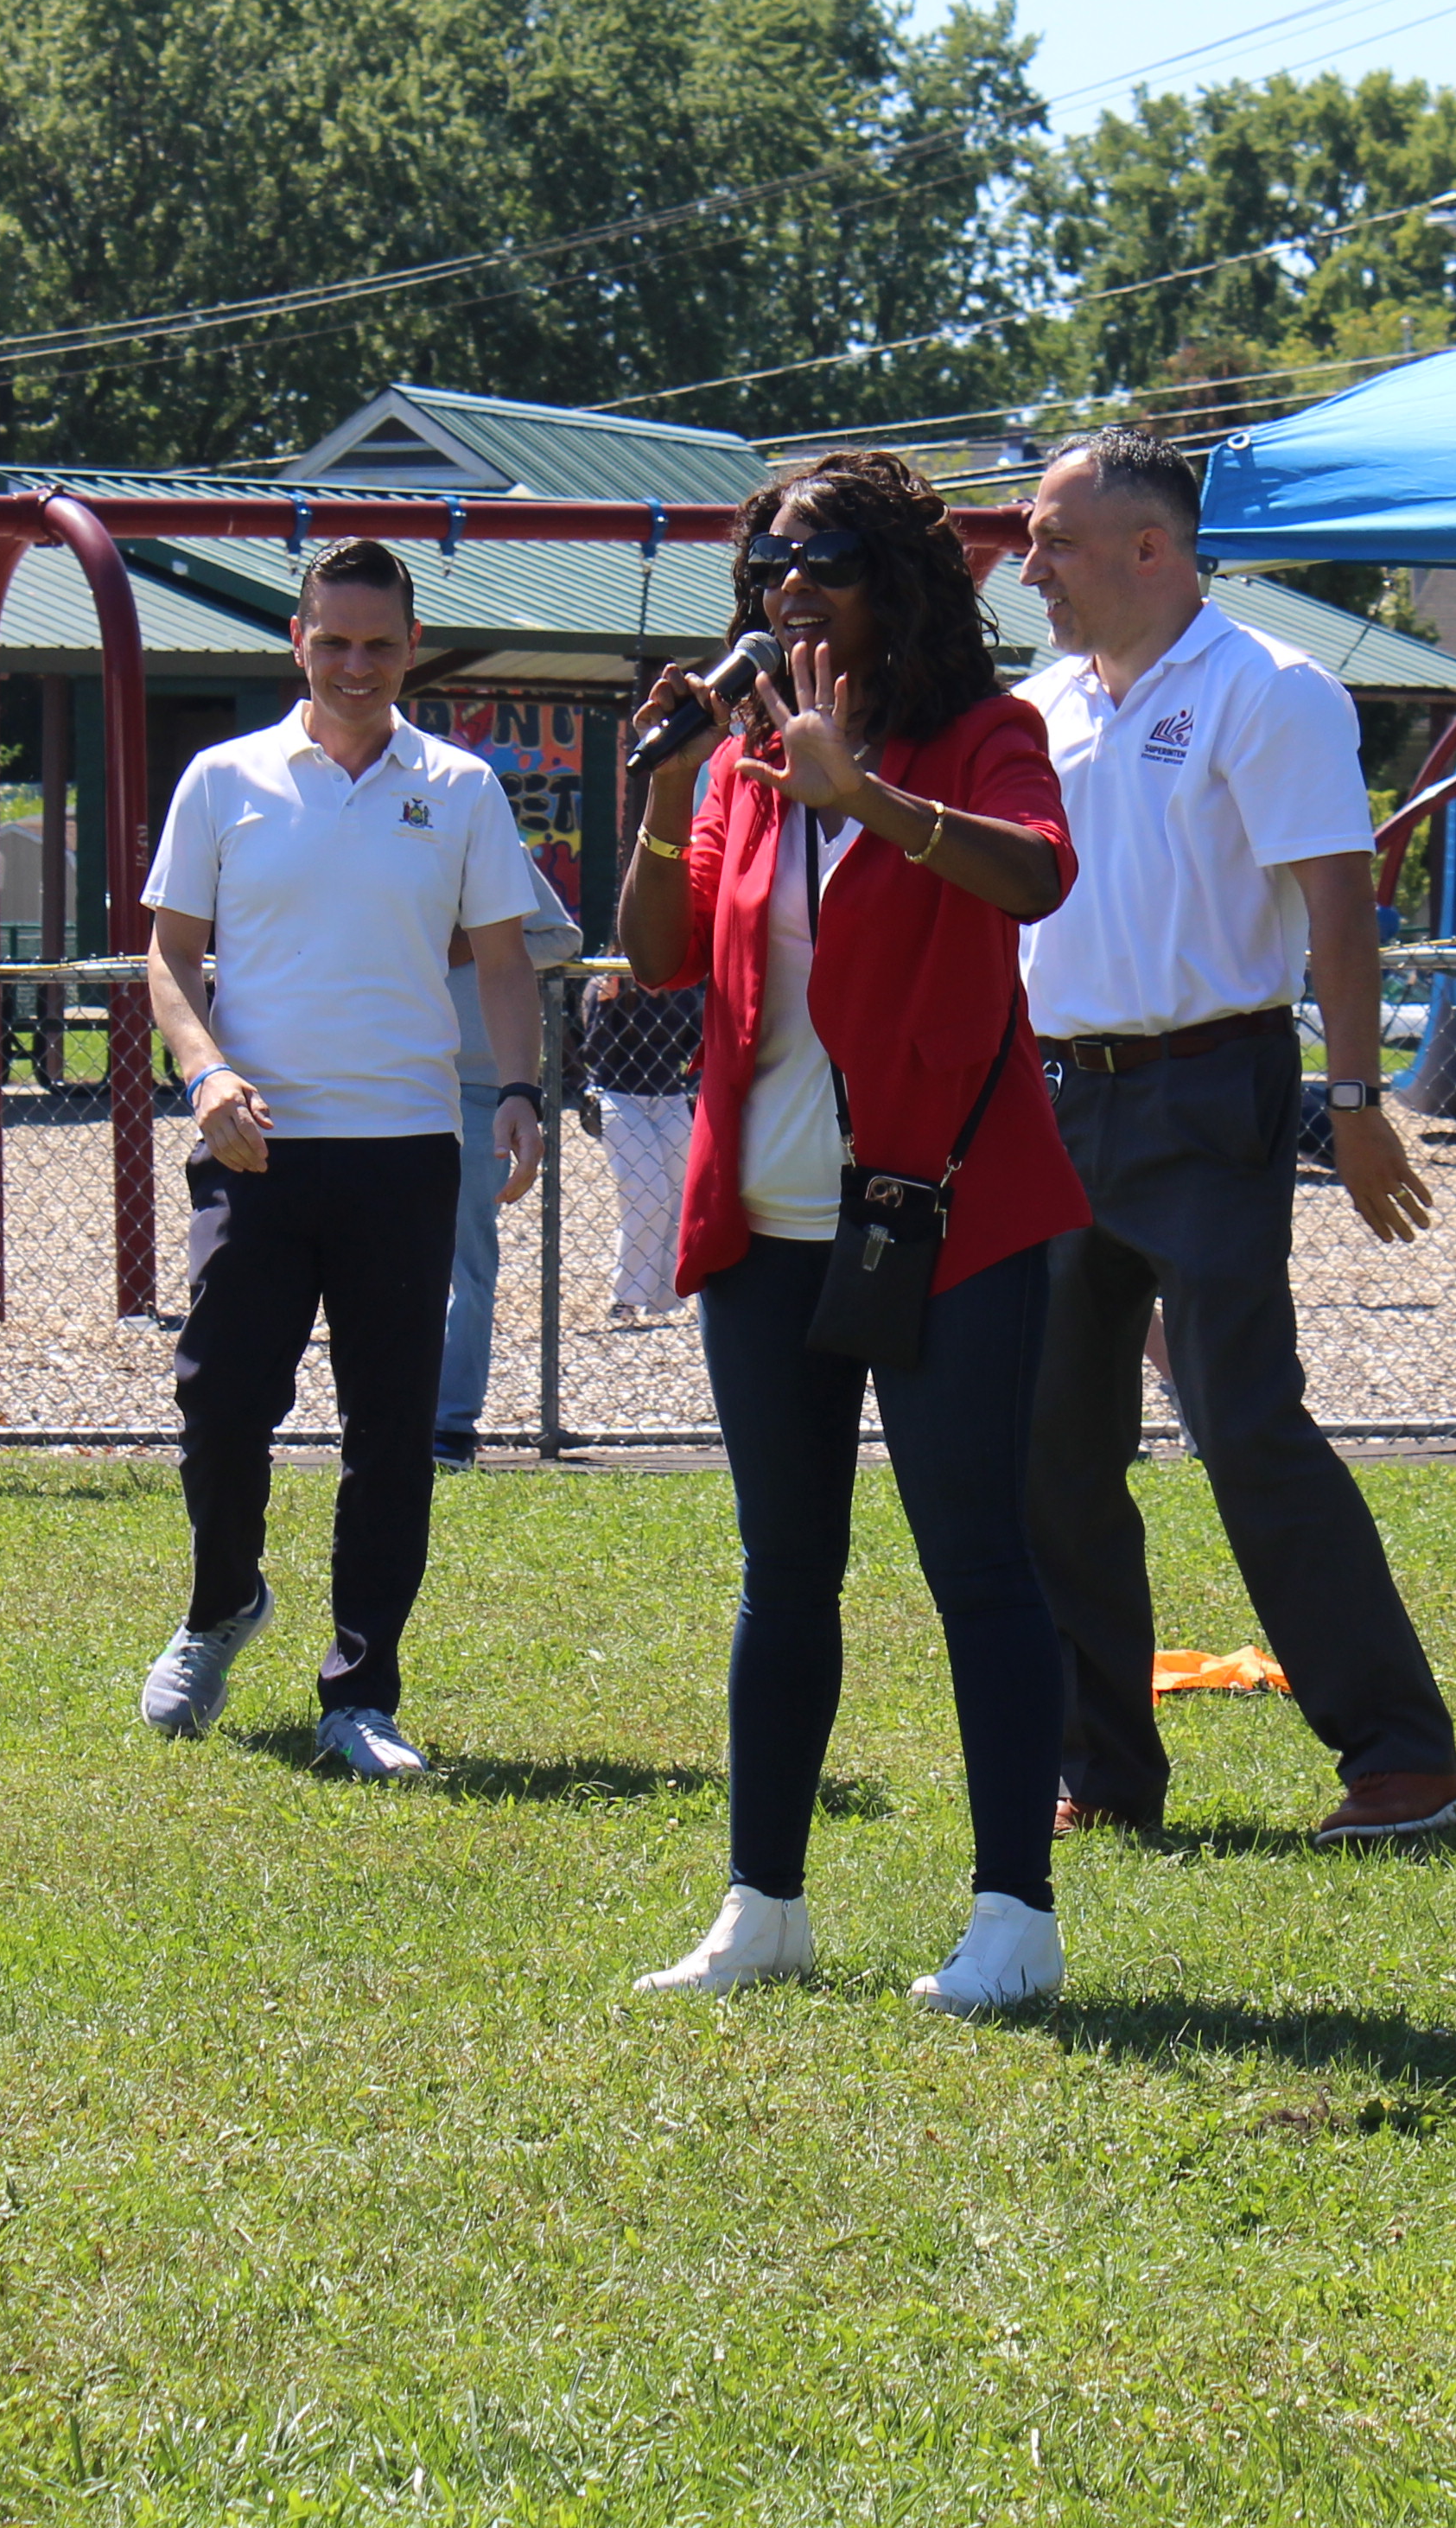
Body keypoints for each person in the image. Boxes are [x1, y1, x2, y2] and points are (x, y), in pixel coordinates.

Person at [614, 450, 1090, 2015]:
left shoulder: (982, 733)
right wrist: (675, 790)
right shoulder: (745, 770)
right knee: (783, 1569)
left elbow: (1032, 876)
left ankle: (1011, 1916)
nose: (784, 584)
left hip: (941, 1215)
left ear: (897, 584)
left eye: (818, 558)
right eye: (765, 563)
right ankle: (762, 1906)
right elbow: (656, 958)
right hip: (765, 1219)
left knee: (974, 1561)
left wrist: (866, 793)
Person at [1009, 426, 1456, 1847]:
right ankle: (1102, 1769)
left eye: (1053, 540)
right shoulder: (1034, 707)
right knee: (1049, 1455)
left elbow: (1337, 904)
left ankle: (1400, 1762)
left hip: (1206, 1093)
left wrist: (1350, 1105)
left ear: (1150, 549)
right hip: (1049, 1103)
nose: (1026, 564)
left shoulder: (1268, 691)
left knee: (1244, 1428)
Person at [133, 537, 545, 1780]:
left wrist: (521, 1089)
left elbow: (508, 963)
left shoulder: (464, 788)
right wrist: (204, 1075)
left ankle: (360, 1693)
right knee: (219, 1402)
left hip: (407, 1150)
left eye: (378, 643)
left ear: (411, 648)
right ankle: (220, 1610)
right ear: (298, 645)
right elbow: (168, 960)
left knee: (391, 1429)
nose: (355, 664)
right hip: (255, 1147)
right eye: (333, 641)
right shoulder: (224, 779)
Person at [434, 860, 581, 1463]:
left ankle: (449, 1426)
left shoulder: (480, 827)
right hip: (375, 1081)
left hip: (473, 1085)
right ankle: (379, 1418)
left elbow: (560, 936)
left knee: (464, 1268)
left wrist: (472, 941)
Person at [589, 965, 703, 1324]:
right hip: (617, 1095)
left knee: (680, 1196)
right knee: (647, 1193)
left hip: (669, 1097)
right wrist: (606, 1006)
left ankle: (665, 1299)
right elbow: (593, 1055)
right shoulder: (606, 981)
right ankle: (627, 1297)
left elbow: (696, 1045)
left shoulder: (681, 982)